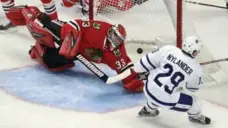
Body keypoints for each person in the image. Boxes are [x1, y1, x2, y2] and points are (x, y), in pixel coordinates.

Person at [6, 5, 144, 93]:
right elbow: (75, 24)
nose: (114, 41)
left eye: (118, 40)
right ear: (110, 32)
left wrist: (133, 82)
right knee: (43, 29)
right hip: (71, 38)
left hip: (77, 53)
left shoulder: (117, 52)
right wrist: (70, 41)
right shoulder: (100, 28)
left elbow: (124, 67)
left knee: (53, 63)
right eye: (114, 37)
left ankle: (38, 50)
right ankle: (32, 12)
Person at [134, 36, 211, 125]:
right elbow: (192, 89)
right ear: (194, 52)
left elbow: (141, 64)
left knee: (158, 85)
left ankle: (148, 109)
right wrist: (191, 72)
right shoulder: (196, 69)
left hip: (148, 88)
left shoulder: (169, 49)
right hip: (163, 99)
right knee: (193, 101)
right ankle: (195, 117)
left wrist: (142, 72)